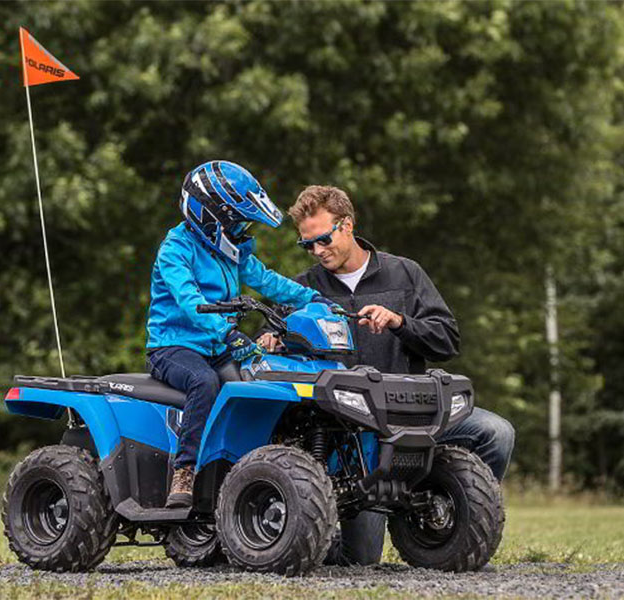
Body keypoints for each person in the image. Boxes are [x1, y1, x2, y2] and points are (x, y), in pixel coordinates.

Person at [258, 185, 515, 565]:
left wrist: (400, 322)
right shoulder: (302, 288)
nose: (317, 251)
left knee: (496, 433)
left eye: (323, 239)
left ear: (347, 225)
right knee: (359, 560)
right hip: (345, 434)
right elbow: (266, 350)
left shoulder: (405, 273)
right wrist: (271, 341)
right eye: (307, 245)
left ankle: (442, 508)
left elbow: (447, 340)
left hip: (411, 414)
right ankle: (318, 527)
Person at [146, 161, 332, 508]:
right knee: (204, 383)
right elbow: (189, 301)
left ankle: (245, 469)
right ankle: (184, 472)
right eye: (235, 220)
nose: (241, 228)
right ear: (209, 215)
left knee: (266, 375)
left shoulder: (232, 249)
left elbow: (266, 280)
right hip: (174, 347)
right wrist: (228, 334)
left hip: (218, 345)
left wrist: (313, 298)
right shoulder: (175, 249)